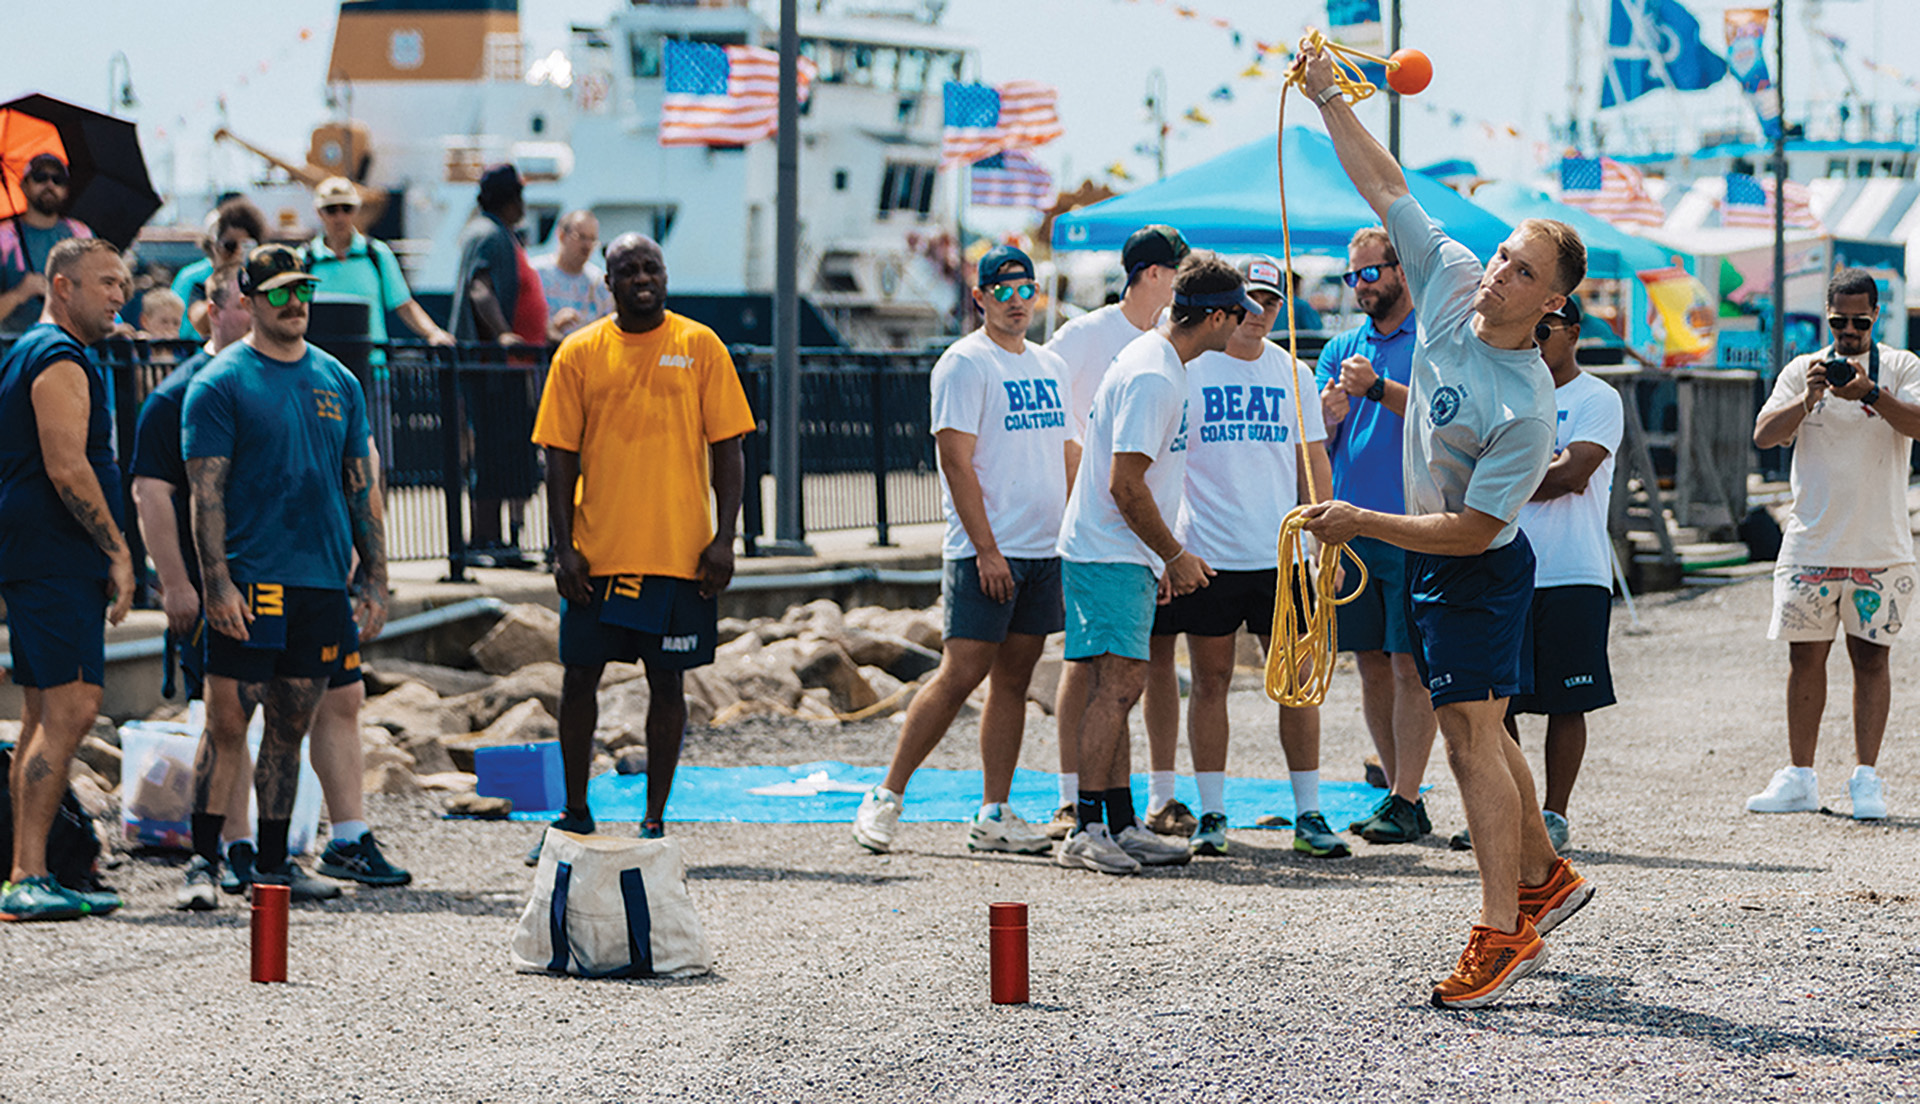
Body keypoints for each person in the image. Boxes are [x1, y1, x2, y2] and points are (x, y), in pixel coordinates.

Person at [1295, 40, 1594, 1008]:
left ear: (1552, 302)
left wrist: (1359, 521)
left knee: (1469, 740)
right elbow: (1388, 186)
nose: (1497, 271)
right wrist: (1331, 100)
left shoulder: (1527, 405)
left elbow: (1470, 530)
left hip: (1474, 566)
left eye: (1521, 270)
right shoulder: (1453, 282)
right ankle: (1545, 873)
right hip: (1435, 555)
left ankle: (1503, 928)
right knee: (1487, 725)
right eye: (1504, 253)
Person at [134, 266, 410, 910]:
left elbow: (358, 486)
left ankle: (273, 866)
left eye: (304, 291)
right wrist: (216, 584)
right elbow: (204, 496)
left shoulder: (337, 379)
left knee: (290, 728)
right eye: (281, 292)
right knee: (227, 723)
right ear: (250, 301)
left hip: (319, 585)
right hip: (251, 585)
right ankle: (203, 864)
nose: (296, 303)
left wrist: (374, 573)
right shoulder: (219, 381)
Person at [527, 233, 754, 864]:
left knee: (668, 683)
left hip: (680, 555)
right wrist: (561, 547)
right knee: (578, 681)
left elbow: (729, 450)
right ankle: (574, 813)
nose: (641, 277)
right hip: (597, 556)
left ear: (665, 274)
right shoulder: (578, 354)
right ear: (608, 283)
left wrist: (724, 539)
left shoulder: (700, 345)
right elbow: (559, 458)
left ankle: (654, 820)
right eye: (627, 270)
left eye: (651, 266)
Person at [852, 245, 1075, 857]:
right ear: (978, 298)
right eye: (1001, 291)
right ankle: (886, 796)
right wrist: (986, 550)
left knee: (1014, 681)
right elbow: (955, 460)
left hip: (1043, 551)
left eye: (1025, 289)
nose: (1015, 301)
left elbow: (1067, 453)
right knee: (959, 675)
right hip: (988, 552)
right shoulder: (964, 364)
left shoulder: (1049, 366)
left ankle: (994, 812)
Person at [1053, 251, 1253, 875]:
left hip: (1119, 551)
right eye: (1239, 314)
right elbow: (1126, 484)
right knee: (1116, 688)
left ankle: (1119, 820)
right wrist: (1175, 554)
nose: (1245, 325)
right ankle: (1088, 826)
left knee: (1120, 687)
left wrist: (1158, 555)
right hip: (1109, 550)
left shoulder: (1158, 360)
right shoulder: (1154, 375)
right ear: (1216, 316)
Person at [1142, 256, 1335, 858]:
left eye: (1271, 302)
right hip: (1210, 552)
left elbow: (1313, 462)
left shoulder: (1293, 372)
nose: (1259, 313)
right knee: (1210, 682)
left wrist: (1326, 527)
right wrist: (1169, 551)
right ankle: (1213, 813)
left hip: (1285, 556)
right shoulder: (1191, 368)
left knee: (1298, 687)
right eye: (1249, 301)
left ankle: (1309, 813)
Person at [1450, 298, 1623, 854]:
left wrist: (1499, 477)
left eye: (1544, 327)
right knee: (1500, 701)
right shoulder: (1504, 394)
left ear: (1572, 332)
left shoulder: (1597, 397)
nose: (1536, 335)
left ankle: (1554, 812)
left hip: (1573, 568)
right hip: (1503, 563)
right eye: (1530, 325)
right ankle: (1511, 811)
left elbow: (1571, 474)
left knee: (1568, 700)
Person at [1748, 268, 1920, 821]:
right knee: (1805, 660)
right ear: (1827, 317)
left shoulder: (1901, 367)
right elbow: (1764, 435)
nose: (1848, 332)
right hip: (1811, 545)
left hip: (1880, 545)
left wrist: (1868, 391)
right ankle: (1800, 777)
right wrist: (1808, 398)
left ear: (1876, 317)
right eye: (1839, 321)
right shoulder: (1804, 370)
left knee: (1872, 661)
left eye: (1859, 321)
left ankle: (1865, 777)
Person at [0, 238, 132, 921]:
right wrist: (116, 550)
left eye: (125, 284)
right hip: (55, 555)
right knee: (74, 710)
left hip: (37, 554)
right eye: (106, 282)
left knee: (41, 716)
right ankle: (27, 874)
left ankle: (32, 868)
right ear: (61, 285)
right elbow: (67, 466)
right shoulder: (58, 358)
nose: (119, 294)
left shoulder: (32, 350)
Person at [1044, 223, 1190, 839]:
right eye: (1177, 271)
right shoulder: (1086, 337)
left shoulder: (1164, 347)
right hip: (1105, 532)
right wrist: (1085, 483)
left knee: (1133, 676)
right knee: (1097, 675)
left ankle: (1131, 811)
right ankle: (1077, 808)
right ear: (1154, 273)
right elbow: (1056, 424)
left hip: (1140, 538)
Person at [1316, 225, 1439, 846]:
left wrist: (1377, 390)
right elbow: (1320, 445)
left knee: (1409, 664)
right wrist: (1330, 418)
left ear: (1400, 271)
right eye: (1352, 275)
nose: (1361, 286)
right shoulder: (1340, 348)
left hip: (1410, 523)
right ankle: (1398, 793)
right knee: (1368, 663)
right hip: (1349, 524)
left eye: (1371, 273)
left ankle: (1408, 793)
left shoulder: (1431, 342)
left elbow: (1440, 416)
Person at [449, 163, 548, 565]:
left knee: (506, 450)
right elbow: (480, 287)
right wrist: (504, 332)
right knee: (493, 449)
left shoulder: (493, 232)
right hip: (493, 367)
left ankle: (501, 542)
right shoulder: (489, 234)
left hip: (507, 367)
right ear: (511, 198)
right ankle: (484, 541)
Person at [306, 176, 454, 350]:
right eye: (331, 209)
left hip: (371, 365)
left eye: (346, 208)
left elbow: (404, 304)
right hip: (322, 369)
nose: (340, 216)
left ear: (356, 210)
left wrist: (433, 332)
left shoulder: (377, 254)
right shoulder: (305, 259)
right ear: (319, 211)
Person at [0, 154, 94, 335]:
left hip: (68, 348)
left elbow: (100, 298)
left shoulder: (81, 235)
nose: (49, 185)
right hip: (14, 351)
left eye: (58, 180)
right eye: (40, 177)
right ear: (23, 185)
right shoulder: (4, 237)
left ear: (66, 190)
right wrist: (19, 294)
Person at [171, 198, 267, 339]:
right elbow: (189, 326)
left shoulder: (263, 280)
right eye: (230, 245)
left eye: (246, 246)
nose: (238, 253)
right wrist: (223, 282)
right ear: (215, 245)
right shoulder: (192, 278)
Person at [534, 209, 613, 341]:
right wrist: (553, 326)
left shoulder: (598, 282)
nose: (587, 246)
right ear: (561, 236)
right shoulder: (536, 274)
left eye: (592, 239)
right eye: (581, 237)